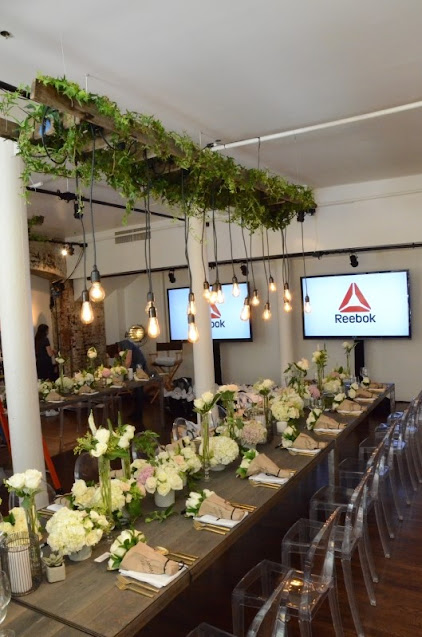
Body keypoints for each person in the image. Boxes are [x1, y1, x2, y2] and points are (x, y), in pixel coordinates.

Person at [119, 337, 149, 429]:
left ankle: (139, 414)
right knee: (135, 391)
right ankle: (135, 412)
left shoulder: (125, 344)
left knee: (139, 389)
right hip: (135, 366)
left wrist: (121, 371)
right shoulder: (123, 345)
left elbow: (127, 361)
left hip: (139, 366)